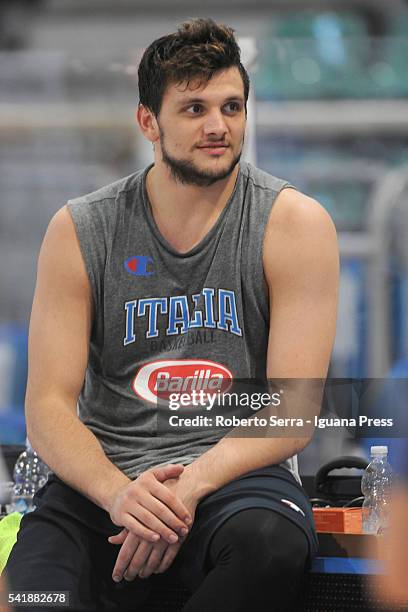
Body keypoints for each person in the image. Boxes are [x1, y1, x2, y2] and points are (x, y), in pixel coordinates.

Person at [4, 17, 339, 612]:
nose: (218, 126)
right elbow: (47, 407)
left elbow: (293, 411)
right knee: (33, 592)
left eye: (232, 106)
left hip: (232, 472)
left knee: (270, 547)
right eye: (194, 109)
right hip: (105, 480)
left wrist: (189, 487)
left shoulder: (295, 225)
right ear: (148, 122)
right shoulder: (82, 228)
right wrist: (118, 494)